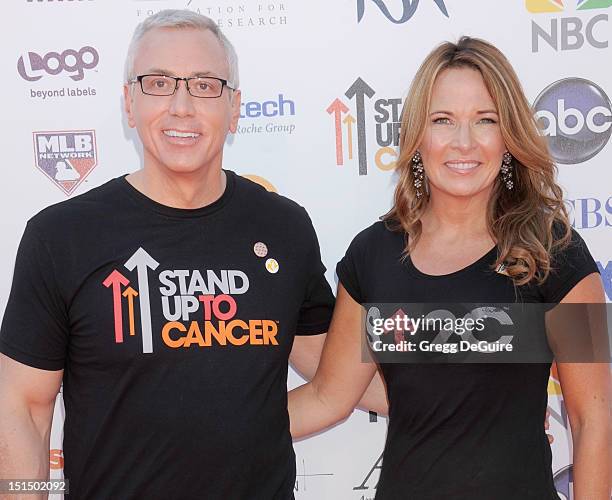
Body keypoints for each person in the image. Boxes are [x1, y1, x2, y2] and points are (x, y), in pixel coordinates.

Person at [0, 9, 387, 499]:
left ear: (235, 107)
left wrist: (494, 367)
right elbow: (24, 412)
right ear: (129, 102)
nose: (181, 106)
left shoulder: (283, 227)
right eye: (158, 83)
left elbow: (338, 369)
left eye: (205, 85)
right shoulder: (61, 236)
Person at [288, 37, 611, 499]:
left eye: (485, 120)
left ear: (509, 136)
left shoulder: (558, 253)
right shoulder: (372, 256)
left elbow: (593, 419)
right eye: (443, 121)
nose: (464, 142)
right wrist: (211, 427)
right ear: (419, 136)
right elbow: (326, 398)